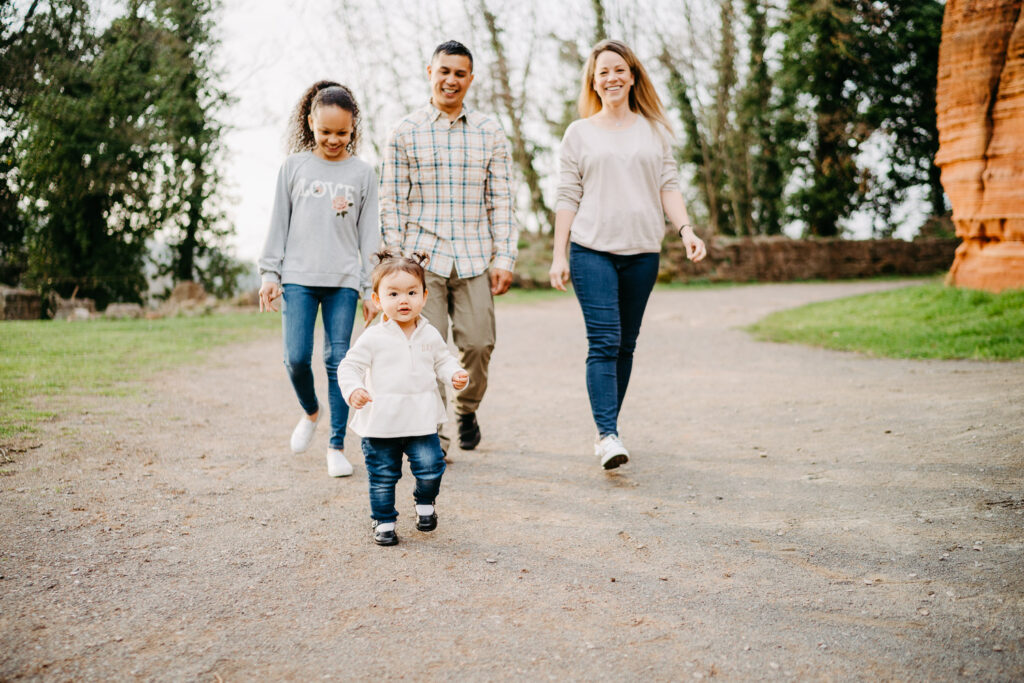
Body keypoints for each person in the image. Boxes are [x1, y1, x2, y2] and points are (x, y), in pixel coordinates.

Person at [548, 39, 707, 470]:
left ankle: (608, 428)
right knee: (604, 340)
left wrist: (686, 230)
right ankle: (607, 435)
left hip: (642, 253)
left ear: (632, 75)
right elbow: (567, 194)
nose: (612, 77)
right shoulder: (579, 133)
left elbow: (668, 185)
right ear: (594, 82)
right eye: (603, 72)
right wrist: (559, 253)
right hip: (591, 249)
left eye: (619, 69)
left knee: (626, 345)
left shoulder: (653, 130)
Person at [379, 40, 518, 455]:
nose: (451, 80)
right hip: (422, 261)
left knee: (478, 343)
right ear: (430, 72)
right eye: (444, 71)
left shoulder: (490, 131)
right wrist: (396, 262)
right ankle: (433, 431)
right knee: (426, 345)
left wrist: (505, 257)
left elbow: (503, 199)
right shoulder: (405, 131)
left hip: (475, 256)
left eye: (460, 73)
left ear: (470, 79)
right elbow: (391, 200)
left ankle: (466, 408)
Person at [257, 81, 381, 478]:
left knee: (338, 361)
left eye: (342, 133)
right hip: (298, 280)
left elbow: (369, 236)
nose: (333, 139)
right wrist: (269, 273)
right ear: (310, 123)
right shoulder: (294, 167)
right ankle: (311, 411)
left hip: (344, 280)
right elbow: (278, 223)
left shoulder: (363, 173)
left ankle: (335, 445)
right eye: (325, 131)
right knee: (295, 358)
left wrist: (371, 288)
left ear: (353, 128)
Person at [337, 251, 468, 546]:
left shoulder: (429, 333)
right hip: (381, 423)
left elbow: (443, 361)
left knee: (432, 466)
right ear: (378, 299)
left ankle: (425, 503)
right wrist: (353, 389)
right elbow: (349, 366)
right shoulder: (373, 336)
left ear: (424, 295)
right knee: (383, 476)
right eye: (393, 294)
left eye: (411, 292)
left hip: (421, 420)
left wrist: (455, 374)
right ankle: (383, 520)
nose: (403, 300)